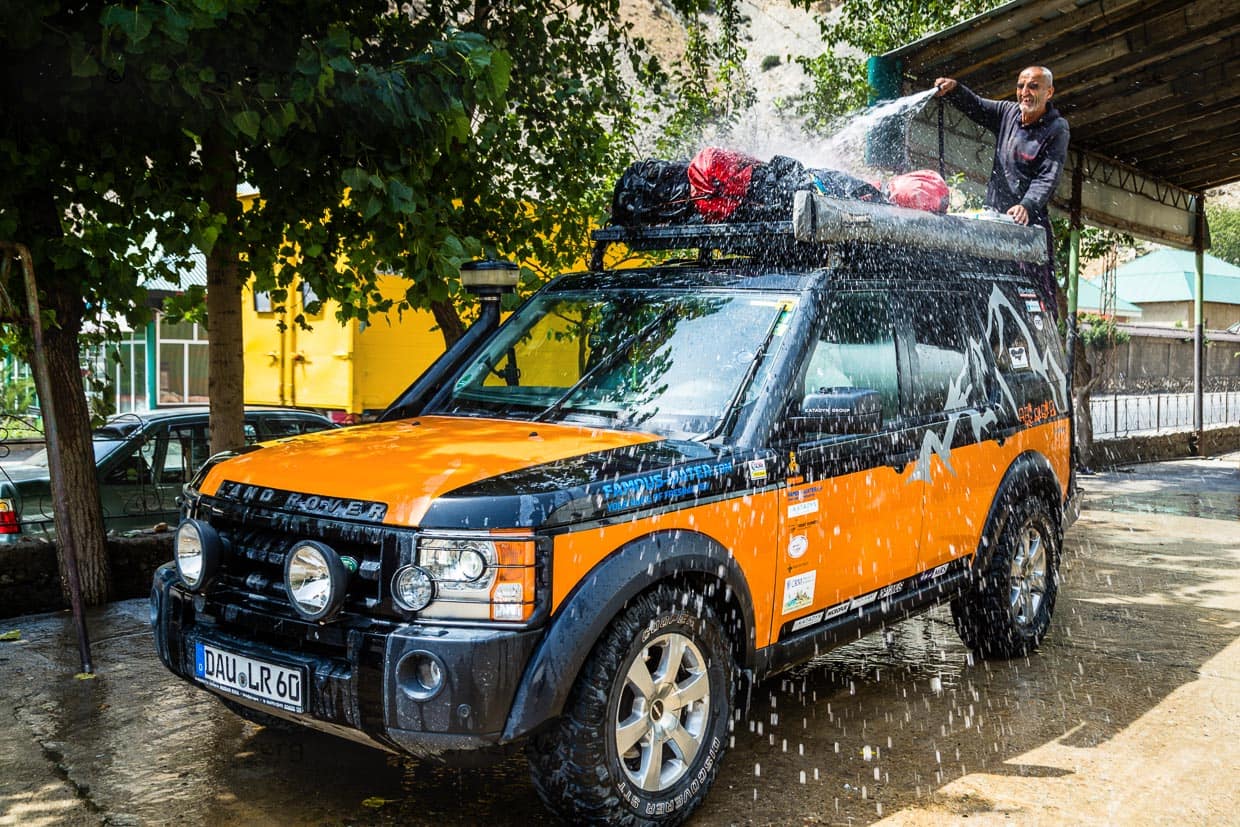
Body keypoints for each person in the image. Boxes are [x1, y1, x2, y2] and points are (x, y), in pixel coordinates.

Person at [934, 67, 1069, 314]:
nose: (1025, 92)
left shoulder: (1057, 128)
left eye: (1033, 86)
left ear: (1049, 92)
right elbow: (976, 106)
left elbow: (1048, 176)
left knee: (1034, 294)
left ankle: (1041, 331)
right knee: (989, 285)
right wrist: (955, 89)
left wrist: (1027, 205)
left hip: (1028, 225)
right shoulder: (1008, 112)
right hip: (996, 218)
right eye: (1020, 86)